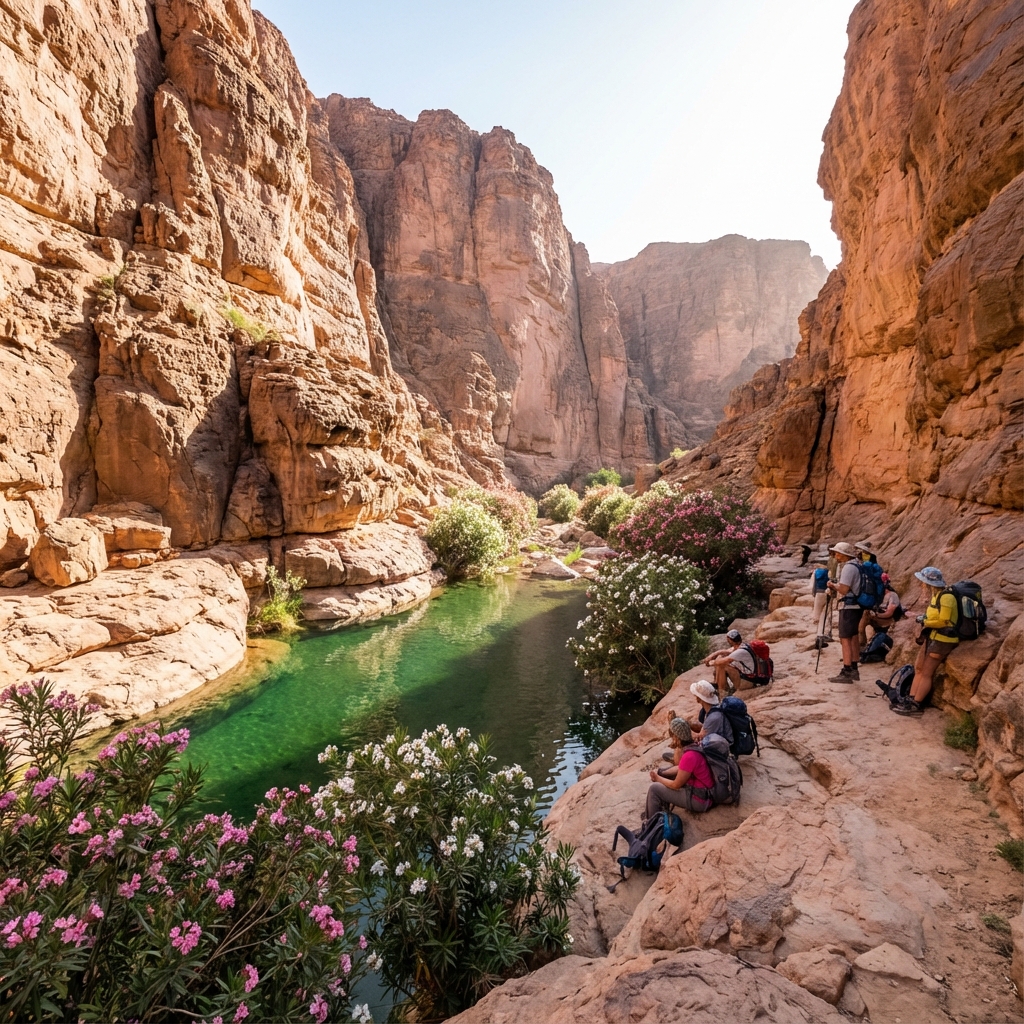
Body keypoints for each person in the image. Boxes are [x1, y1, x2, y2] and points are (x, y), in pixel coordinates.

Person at [895, 566, 958, 716]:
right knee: (919, 668)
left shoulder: (947, 597)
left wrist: (925, 621)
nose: (921, 584)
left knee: (926, 673)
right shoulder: (936, 596)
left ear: (929, 583)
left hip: (943, 640)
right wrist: (923, 618)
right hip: (932, 637)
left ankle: (916, 704)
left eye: (923, 581)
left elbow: (944, 621)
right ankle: (910, 700)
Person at [646, 717, 713, 819]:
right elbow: (682, 768)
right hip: (704, 792)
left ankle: (652, 824)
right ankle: (658, 810)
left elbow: (676, 785)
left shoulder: (689, 756)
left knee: (654, 789)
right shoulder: (694, 746)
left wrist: (658, 778)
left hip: (700, 800)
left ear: (677, 738)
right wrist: (661, 772)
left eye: (672, 737)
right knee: (665, 775)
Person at [826, 541, 862, 682]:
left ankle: (847, 671)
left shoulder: (848, 567)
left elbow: (844, 589)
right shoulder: (857, 564)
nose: (835, 555)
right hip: (857, 605)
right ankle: (854, 668)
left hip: (849, 606)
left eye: (837, 553)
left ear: (844, 554)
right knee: (853, 637)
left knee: (845, 638)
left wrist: (832, 585)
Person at [702, 630, 757, 694]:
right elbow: (726, 651)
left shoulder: (739, 652)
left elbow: (719, 662)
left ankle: (722, 691)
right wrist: (712, 655)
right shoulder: (742, 646)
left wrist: (711, 662)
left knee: (722, 665)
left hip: (748, 682)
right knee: (721, 658)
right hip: (750, 678)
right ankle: (718, 684)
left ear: (730, 640)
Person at [686, 679, 734, 746]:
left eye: (696, 696)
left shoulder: (713, 717)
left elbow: (700, 739)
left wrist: (683, 730)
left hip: (723, 749)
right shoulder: (713, 710)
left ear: (698, 699)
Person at [859, 572, 901, 645]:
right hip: (875, 618)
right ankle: (861, 643)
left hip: (886, 621)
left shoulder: (892, 596)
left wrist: (876, 615)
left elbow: (889, 613)